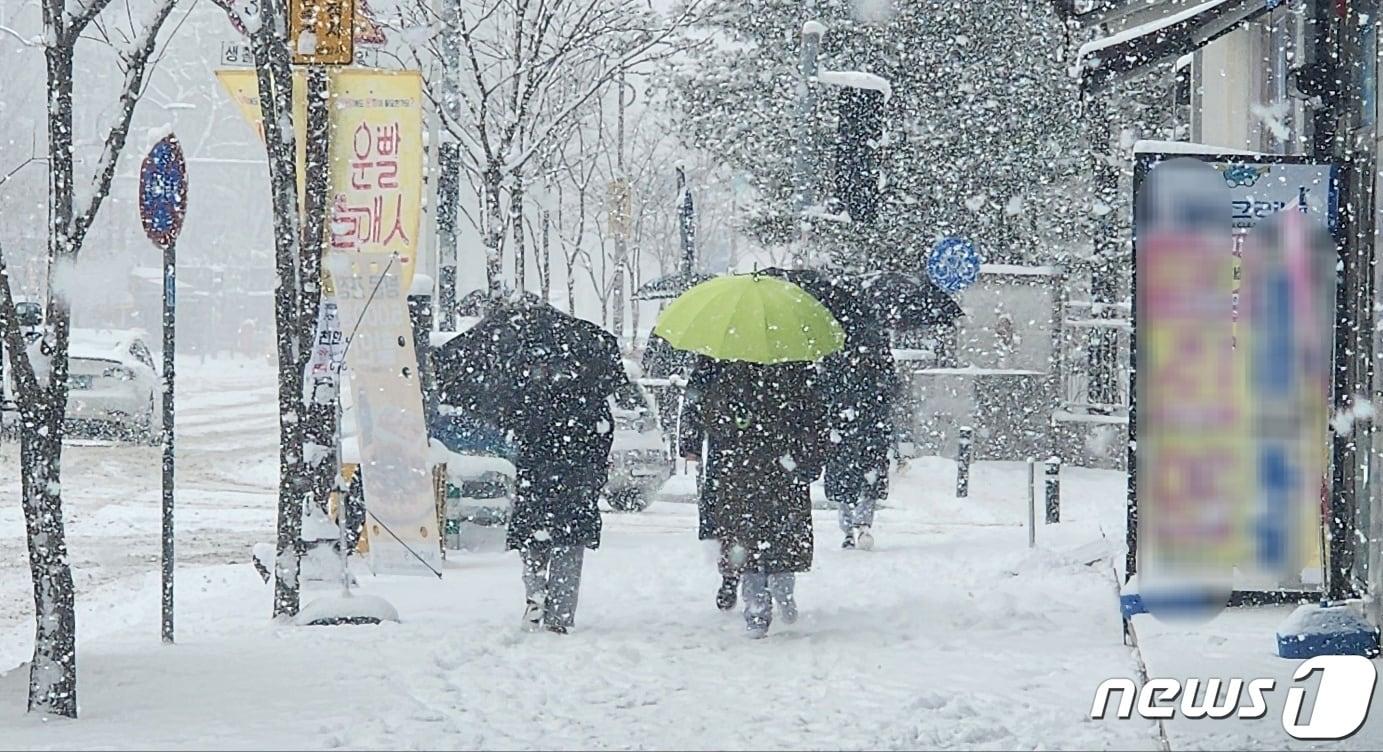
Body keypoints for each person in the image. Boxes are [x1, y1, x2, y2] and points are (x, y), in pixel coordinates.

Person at [680, 360, 828, 638]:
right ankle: (762, 600)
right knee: (756, 535)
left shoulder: (727, 356)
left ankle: (771, 595)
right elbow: (815, 414)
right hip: (759, 463)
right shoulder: (791, 358)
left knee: (759, 534)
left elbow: (814, 413)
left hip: (754, 463)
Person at [505, 330, 627, 635]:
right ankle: (559, 613)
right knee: (568, 548)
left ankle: (535, 593)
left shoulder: (530, 393)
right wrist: (593, 471)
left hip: (536, 480)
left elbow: (516, 432)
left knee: (535, 541)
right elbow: (603, 436)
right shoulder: (589, 395)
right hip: (576, 482)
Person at [822, 348, 900, 550]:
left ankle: (853, 527)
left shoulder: (837, 356)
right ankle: (857, 525)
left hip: (854, 429)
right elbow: (891, 390)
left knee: (853, 480)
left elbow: (825, 390)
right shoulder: (876, 357)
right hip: (863, 429)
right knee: (863, 479)